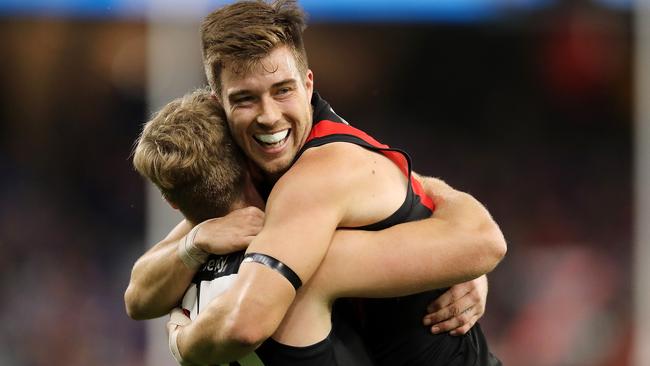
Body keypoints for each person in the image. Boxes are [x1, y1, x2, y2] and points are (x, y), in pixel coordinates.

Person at [126, 0, 506, 364]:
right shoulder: (253, 165)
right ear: (219, 103)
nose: (269, 116)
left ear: (308, 85)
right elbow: (139, 296)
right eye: (245, 99)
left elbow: (245, 324)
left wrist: (180, 341)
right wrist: (194, 243)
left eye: (282, 90)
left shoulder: (319, 175)